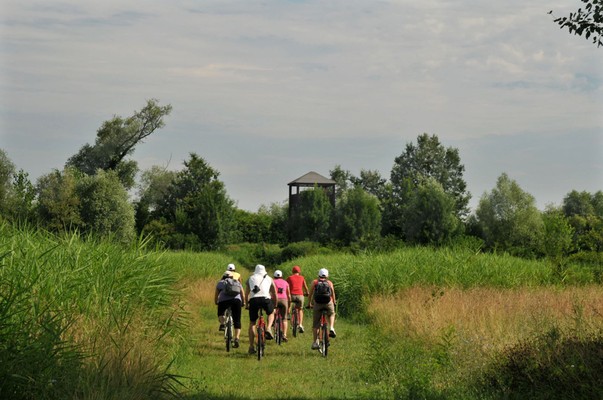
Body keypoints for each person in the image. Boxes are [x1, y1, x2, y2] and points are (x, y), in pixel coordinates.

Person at [245, 264, 277, 355]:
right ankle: (269, 328)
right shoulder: (269, 278)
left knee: (252, 322)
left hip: (254, 300)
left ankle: (251, 346)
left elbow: (246, 293)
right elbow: (274, 293)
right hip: (265, 299)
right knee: (271, 313)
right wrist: (275, 304)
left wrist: (247, 305)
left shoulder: (250, 278)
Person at [215, 271, 246, 348]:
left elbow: (216, 295)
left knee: (220, 313)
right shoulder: (237, 282)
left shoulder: (220, 283)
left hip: (223, 301)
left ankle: (222, 324)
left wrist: (216, 302)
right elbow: (242, 294)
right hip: (236, 301)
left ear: (223, 276)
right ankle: (237, 338)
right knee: (237, 320)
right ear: (232, 277)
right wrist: (243, 302)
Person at [308, 268, 336, 350]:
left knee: (316, 324)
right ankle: (331, 327)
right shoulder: (329, 282)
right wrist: (334, 302)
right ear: (327, 275)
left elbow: (310, 294)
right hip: (328, 303)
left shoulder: (315, 282)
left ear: (319, 275)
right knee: (331, 314)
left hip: (318, 304)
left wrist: (309, 303)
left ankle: (315, 342)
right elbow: (333, 293)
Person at [286, 265, 309, 333]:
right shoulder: (302, 277)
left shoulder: (289, 278)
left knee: (289, 305)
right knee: (300, 309)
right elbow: (305, 287)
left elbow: (286, 286)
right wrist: (307, 293)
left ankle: (288, 314)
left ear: (292, 271)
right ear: (299, 271)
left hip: (292, 295)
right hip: (300, 295)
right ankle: (301, 324)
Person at [272, 269, 291, 342]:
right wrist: (289, 304)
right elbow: (288, 295)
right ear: (281, 276)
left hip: (274, 299)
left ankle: (271, 324)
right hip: (284, 300)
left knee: (271, 313)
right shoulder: (285, 282)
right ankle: (284, 334)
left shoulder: (272, 281)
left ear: (274, 276)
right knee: (284, 319)